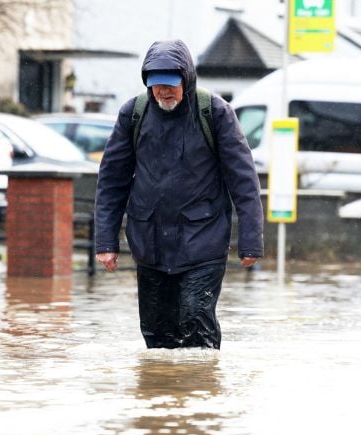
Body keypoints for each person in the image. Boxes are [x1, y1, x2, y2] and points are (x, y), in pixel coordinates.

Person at [94, 39, 264, 350]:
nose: (165, 92)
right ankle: (163, 394)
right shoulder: (134, 114)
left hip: (204, 240)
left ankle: (201, 389)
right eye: (157, 86)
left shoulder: (214, 112)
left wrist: (251, 241)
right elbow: (111, 181)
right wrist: (106, 242)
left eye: (171, 84)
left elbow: (244, 181)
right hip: (150, 244)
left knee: (196, 321)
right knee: (157, 336)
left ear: (186, 79)